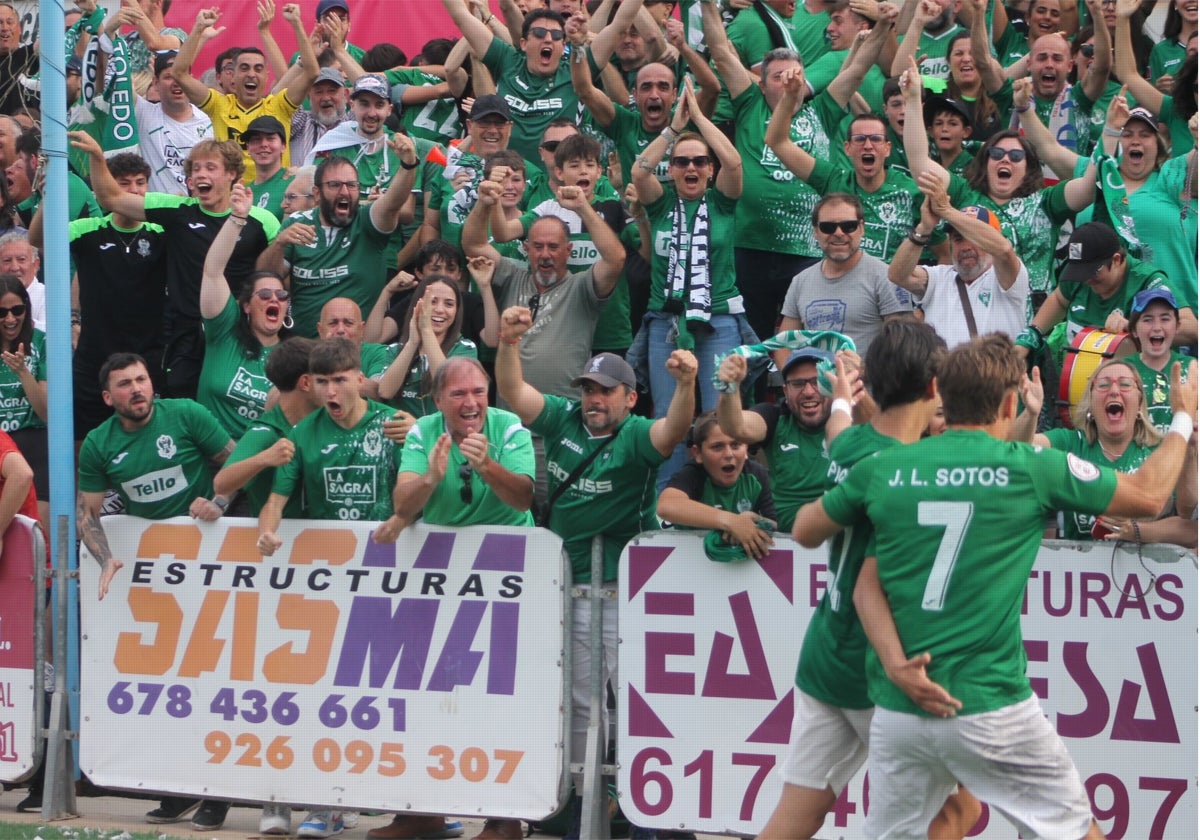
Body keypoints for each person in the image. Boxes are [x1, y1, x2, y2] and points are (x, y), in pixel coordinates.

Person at [796, 333, 1196, 840]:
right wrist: (1183, 416)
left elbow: (851, 573)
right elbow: (1148, 493)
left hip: (901, 705)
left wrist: (896, 663)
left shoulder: (886, 467)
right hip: (989, 704)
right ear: (1010, 402)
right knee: (1074, 832)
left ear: (942, 391)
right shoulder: (1030, 468)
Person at [759, 318, 982, 840]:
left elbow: (842, 429)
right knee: (958, 812)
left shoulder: (849, 447)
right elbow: (878, 584)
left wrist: (843, 397)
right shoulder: (913, 473)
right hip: (877, 668)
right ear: (934, 388)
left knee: (797, 817)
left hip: (824, 656)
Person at [495, 305, 696, 836]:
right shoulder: (564, 418)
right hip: (565, 590)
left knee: (628, 699)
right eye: (589, 388)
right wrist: (510, 343)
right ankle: (587, 804)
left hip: (619, 592)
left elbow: (673, 431)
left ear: (630, 398)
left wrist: (686, 384)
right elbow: (515, 394)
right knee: (578, 702)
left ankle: (637, 803)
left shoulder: (633, 437)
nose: (594, 399)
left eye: (606, 391)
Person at [75, 352, 235, 828]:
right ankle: (176, 788)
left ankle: (219, 793)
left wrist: (221, 501)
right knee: (169, 686)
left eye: (141, 379)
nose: (137, 389)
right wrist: (106, 560)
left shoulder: (185, 414)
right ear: (109, 398)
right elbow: (88, 515)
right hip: (157, 578)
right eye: (124, 384)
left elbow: (239, 462)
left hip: (214, 565)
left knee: (217, 681)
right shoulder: (98, 445)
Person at [72, 130, 280, 400]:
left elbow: (277, 277)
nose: (201, 174)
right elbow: (112, 199)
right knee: (185, 404)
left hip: (238, 334)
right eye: (196, 168)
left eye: (211, 167)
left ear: (231, 174)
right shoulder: (178, 210)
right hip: (187, 335)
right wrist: (98, 158)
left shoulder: (262, 221)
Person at [630, 79, 745, 484]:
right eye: (682, 162)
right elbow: (639, 170)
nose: (691, 168)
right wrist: (673, 131)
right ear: (672, 169)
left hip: (719, 322)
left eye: (699, 162)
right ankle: (667, 507)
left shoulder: (722, 201)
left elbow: (734, 164)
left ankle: (721, 500)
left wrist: (698, 117)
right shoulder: (660, 203)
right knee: (668, 419)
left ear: (709, 170)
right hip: (666, 324)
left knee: (721, 419)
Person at [29, 150, 168, 438]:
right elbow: (38, 240)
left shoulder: (162, 232)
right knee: (85, 439)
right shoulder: (88, 230)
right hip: (95, 355)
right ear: (107, 187)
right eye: (124, 183)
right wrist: (47, 200)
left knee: (150, 437)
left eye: (140, 182)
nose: (134, 190)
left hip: (150, 354)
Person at [257, 337, 406, 557]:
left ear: (360, 380)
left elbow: (416, 490)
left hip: (387, 551)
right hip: (329, 553)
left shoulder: (393, 425)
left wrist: (401, 520)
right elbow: (275, 502)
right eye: (322, 382)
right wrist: (266, 532)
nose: (330, 392)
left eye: (339, 380)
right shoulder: (302, 433)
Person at [257, 146, 417, 338]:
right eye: (334, 185)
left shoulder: (368, 221)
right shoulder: (297, 222)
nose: (345, 192)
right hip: (301, 347)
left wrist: (408, 165)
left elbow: (392, 202)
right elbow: (266, 277)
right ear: (316, 194)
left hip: (354, 348)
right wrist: (279, 245)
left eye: (352, 185)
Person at [169, 5, 319, 180]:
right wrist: (198, 29)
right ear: (233, 76)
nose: (251, 74)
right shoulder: (219, 105)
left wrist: (296, 24)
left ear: (266, 76)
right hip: (231, 197)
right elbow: (178, 73)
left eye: (258, 69)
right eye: (244, 68)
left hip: (273, 197)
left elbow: (312, 72)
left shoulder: (279, 106)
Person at [1018, 222, 1197, 361]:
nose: (1086, 279)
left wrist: (1135, 326)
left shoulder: (1147, 281)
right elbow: (1059, 299)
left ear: (1117, 260)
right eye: (1080, 273)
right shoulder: (1078, 273)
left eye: (1093, 272)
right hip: (1078, 379)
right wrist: (1033, 332)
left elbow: (1192, 330)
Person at [198, 182, 290, 439]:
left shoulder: (293, 356)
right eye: (264, 294)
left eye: (281, 295)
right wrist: (238, 218)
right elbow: (212, 271)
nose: (275, 299)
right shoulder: (224, 331)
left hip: (261, 462)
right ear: (246, 305)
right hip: (212, 457)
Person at [888, 179, 1029, 346]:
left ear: (992, 239)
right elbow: (897, 275)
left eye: (973, 238)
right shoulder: (939, 278)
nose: (965, 247)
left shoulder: (1007, 277)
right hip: (943, 371)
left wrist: (946, 211)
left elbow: (1004, 250)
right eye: (958, 239)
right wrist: (924, 228)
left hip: (993, 371)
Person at [440, 1, 580, 166]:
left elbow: (614, 31)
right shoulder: (508, 61)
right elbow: (461, 17)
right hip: (507, 182)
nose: (548, 39)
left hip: (556, 185)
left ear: (563, 46)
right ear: (523, 43)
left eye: (556, 35)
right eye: (540, 33)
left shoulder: (575, 72)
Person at [778, 192, 911, 358]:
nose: (839, 233)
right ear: (815, 232)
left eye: (849, 226)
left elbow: (904, 345)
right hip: (816, 381)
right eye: (828, 227)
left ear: (862, 228)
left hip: (867, 381)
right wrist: (795, 380)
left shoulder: (886, 277)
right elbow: (783, 344)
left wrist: (863, 373)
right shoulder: (801, 281)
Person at [716, 347, 833, 534]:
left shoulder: (853, 416)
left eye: (817, 381)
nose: (809, 391)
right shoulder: (774, 416)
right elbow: (735, 428)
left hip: (848, 540)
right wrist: (730, 386)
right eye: (798, 384)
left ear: (834, 383)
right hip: (787, 542)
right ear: (785, 390)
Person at [656, 410, 777, 560]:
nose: (728, 454)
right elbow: (666, 506)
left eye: (736, 445)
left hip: (742, 569)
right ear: (698, 453)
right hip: (686, 561)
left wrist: (756, 520)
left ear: (746, 447)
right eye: (717, 447)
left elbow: (775, 524)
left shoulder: (757, 475)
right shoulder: (693, 474)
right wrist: (731, 521)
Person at [378, 274, 482, 418]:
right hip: (402, 437)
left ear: (457, 311)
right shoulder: (395, 350)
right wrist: (412, 343)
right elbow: (385, 391)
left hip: (441, 435)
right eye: (432, 302)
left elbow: (448, 384)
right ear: (417, 306)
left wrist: (426, 330)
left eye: (449, 304)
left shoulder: (465, 347)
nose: (440, 309)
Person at [134, 51, 215, 195]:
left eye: (181, 76)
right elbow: (117, 82)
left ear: (190, 79)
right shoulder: (144, 113)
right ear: (155, 83)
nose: (176, 82)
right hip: (159, 213)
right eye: (168, 77)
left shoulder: (209, 119)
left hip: (199, 211)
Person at [0, 275, 45, 526]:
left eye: (17, 310)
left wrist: (23, 373)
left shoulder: (41, 341)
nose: (10, 319)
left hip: (35, 440)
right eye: (2, 312)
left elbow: (47, 413)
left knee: (36, 541)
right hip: (1, 445)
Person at [1126, 288, 1191, 435]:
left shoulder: (1193, 368)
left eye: (1165, 319)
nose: (1157, 327)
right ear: (1134, 330)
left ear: (1177, 327)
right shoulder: (1122, 370)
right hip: (1139, 455)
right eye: (1147, 319)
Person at [243, 115, 291, 219]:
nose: (264, 144)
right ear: (248, 148)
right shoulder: (244, 194)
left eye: (270, 138)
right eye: (256, 139)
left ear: (283, 146)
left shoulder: (294, 184)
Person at [0, 232, 43, 328]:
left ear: (36, 264)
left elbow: (49, 332)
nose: (15, 267)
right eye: (7, 260)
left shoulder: (50, 297)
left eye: (21, 259)